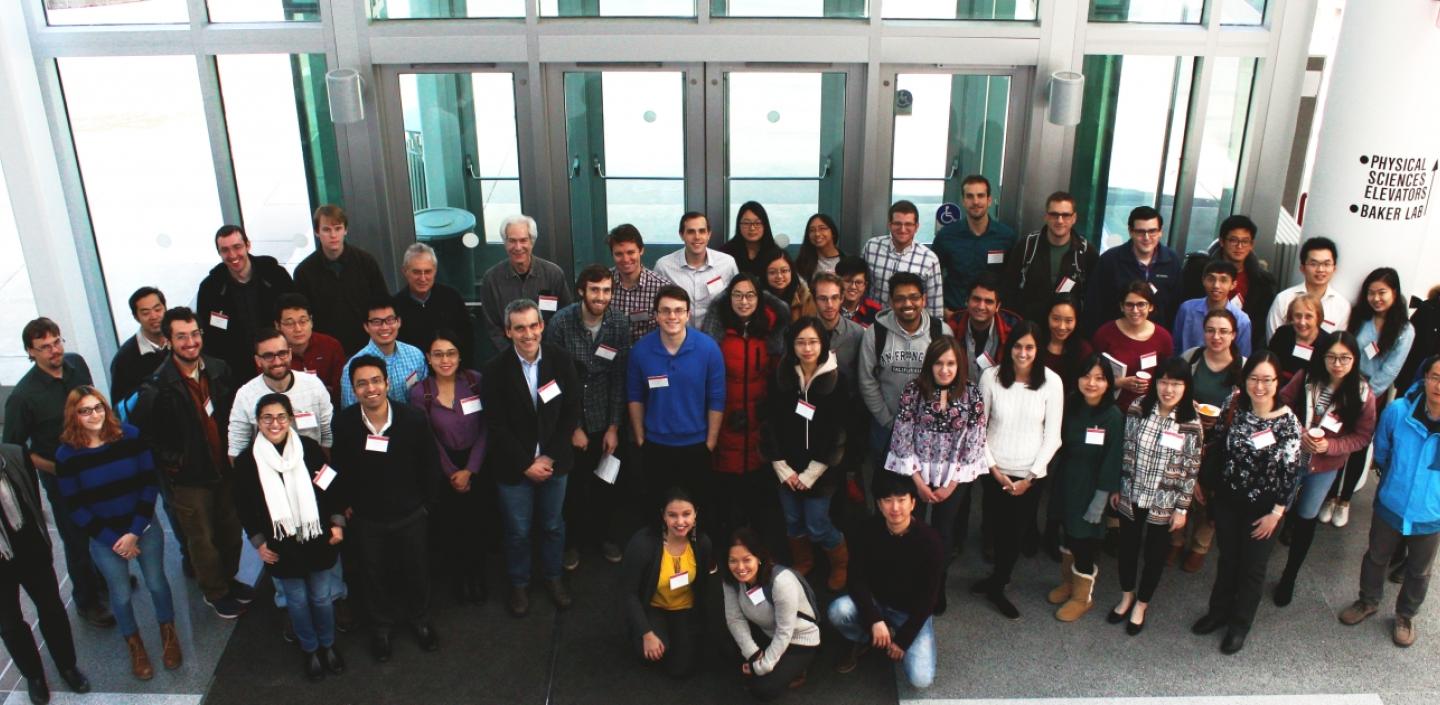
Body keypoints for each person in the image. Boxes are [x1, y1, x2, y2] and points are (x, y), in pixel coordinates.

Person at [132, 308, 250, 618]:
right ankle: (215, 592)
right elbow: (145, 435)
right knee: (202, 540)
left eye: (195, 334)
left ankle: (229, 580)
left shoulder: (219, 369)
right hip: (188, 479)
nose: (190, 342)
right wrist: (175, 463)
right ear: (169, 341)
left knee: (230, 531)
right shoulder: (156, 387)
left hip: (223, 469)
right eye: (181, 336)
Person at [55, 387, 178, 680]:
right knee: (120, 595)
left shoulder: (130, 436)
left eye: (98, 407)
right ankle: (135, 645)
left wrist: (134, 532)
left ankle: (169, 634)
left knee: (157, 583)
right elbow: (75, 507)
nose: (94, 415)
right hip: (105, 539)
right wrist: (114, 541)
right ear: (74, 415)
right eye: (85, 411)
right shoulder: (66, 455)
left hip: (143, 527)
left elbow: (149, 484)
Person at [2, 318, 113, 627]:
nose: (54, 351)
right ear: (30, 352)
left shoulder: (77, 366)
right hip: (62, 478)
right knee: (76, 540)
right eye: (45, 347)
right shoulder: (23, 397)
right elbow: (13, 451)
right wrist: (56, 468)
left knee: (102, 524)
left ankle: (104, 577)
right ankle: (87, 600)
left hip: (94, 467)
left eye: (57, 342)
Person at [330, 355, 441, 662]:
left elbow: (430, 465)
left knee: (417, 570)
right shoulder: (344, 423)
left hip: (411, 514)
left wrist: (427, 506)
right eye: (362, 384)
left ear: (388, 383)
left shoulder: (413, 419)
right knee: (373, 574)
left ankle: (420, 620)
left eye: (376, 381)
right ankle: (381, 628)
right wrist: (344, 504)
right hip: (367, 517)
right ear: (353, 389)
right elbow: (339, 467)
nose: (371, 389)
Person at [1192, 351, 1303, 654]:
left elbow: (1291, 474)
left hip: (1264, 509)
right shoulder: (1235, 402)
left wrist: (1276, 514)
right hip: (1228, 500)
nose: (1259, 386)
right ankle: (1218, 613)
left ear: (1277, 382)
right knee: (1227, 559)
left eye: (1267, 380)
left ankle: (1239, 625)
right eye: (1254, 378)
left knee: (1252, 568)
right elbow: (1216, 440)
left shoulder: (1288, 423)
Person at [232, 393, 346, 681]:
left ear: (291, 419)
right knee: (296, 601)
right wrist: (258, 543)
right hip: (280, 544)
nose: (275, 423)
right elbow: (243, 507)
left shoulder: (309, 449)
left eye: (281, 416)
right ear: (258, 422)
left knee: (322, 598)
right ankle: (310, 649)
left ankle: (328, 645)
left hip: (317, 537)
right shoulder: (247, 462)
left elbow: (331, 487)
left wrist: (337, 522)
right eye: (267, 418)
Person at [483, 300, 583, 617]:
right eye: (519, 328)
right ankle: (519, 583)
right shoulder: (494, 370)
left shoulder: (560, 360)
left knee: (553, 525)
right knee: (518, 532)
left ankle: (553, 577)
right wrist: (527, 464)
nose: (527, 334)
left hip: (555, 462)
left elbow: (571, 412)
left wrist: (549, 457)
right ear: (508, 331)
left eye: (532, 326)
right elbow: (496, 425)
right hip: (514, 468)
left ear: (542, 326)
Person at [1338, 354, 1440, 647]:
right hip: (1391, 502)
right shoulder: (1398, 411)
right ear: (1425, 378)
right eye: (1435, 377)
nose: (1439, 386)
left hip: (1430, 512)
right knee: (1376, 557)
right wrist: (1394, 478)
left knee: (1419, 571)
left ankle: (1405, 615)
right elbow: (1381, 450)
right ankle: (1367, 600)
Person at [883, 336, 987, 613]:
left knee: (943, 533)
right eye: (939, 363)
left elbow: (975, 441)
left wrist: (950, 485)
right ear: (930, 364)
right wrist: (918, 481)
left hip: (953, 477)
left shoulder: (972, 394)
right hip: (915, 472)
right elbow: (902, 435)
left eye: (951, 363)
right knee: (911, 529)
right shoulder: (913, 390)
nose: (944, 369)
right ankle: (910, 584)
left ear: (959, 365)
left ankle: (936, 587)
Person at [1274, 331, 1376, 607]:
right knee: (1277, 509)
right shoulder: (1306, 377)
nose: (1337, 364)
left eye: (1345, 358)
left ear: (1354, 360)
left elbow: (1362, 436)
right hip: (1291, 457)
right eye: (1331, 357)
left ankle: (1289, 576)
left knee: (1307, 516)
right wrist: (1300, 432)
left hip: (1325, 466)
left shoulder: (1362, 394)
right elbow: (1282, 404)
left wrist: (1330, 446)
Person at [974, 321, 1064, 619]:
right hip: (995, 469)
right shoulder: (990, 377)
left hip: (1030, 475)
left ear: (1038, 350)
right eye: (1017, 346)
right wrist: (993, 468)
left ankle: (999, 584)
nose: (1023, 353)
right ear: (1009, 347)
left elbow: (1053, 436)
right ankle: (995, 578)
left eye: (1029, 347)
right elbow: (978, 428)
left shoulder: (1052, 382)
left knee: (1015, 532)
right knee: (995, 526)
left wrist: (1030, 477)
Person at [1108, 357, 1203, 636]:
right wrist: (1118, 486)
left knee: (1155, 554)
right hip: (1132, 492)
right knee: (1127, 547)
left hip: (1164, 502)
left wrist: (1182, 509)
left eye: (1176, 384)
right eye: (1163, 382)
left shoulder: (1191, 422)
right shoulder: (1138, 408)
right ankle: (1127, 595)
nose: (1168, 390)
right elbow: (1126, 449)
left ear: (1186, 387)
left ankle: (1142, 603)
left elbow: (1191, 469)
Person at [546, 265, 632, 568]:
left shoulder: (619, 323)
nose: (601, 296)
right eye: (595, 290)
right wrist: (574, 427)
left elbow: (619, 377)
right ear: (582, 290)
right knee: (573, 489)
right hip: (570, 419)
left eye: (607, 290)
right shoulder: (561, 322)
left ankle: (605, 538)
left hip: (605, 416)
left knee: (606, 484)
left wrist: (614, 426)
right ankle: (572, 544)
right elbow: (555, 380)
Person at [829, 471, 942, 690]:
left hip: (910, 610)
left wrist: (903, 640)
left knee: (921, 679)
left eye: (901, 500)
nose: (895, 508)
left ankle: (894, 635)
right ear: (879, 505)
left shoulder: (930, 541)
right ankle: (864, 638)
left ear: (913, 503)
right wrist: (874, 618)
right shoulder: (866, 530)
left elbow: (929, 599)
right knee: (838, 611)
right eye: (888, 500)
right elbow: (855, 578)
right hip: (877, 601)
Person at [762, 317, 851, 591]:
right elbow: (769, 424)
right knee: (792, 521)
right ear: (792, 345)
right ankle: (804, 560)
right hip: (787, 468)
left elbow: (839, 432)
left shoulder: (837, 380)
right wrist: (782, 468)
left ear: (823, 344)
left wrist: (812, 473)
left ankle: (840, 563)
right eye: (801, 342)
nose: (807, 348)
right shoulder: (781, 376)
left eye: (813, 342)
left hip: (821, 470)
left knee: (816, 524)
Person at [0, 442, 91, 704]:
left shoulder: (14, 455)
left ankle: (67, 666)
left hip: (31, 549)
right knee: (9, 623)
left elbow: (32, 499)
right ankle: (34, 676)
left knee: (51, 608)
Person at [702, 274, 790, 544]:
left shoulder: (770, 332)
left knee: (758, 496)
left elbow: (778, 378)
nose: (744, 301)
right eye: (737, 295)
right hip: (725, 423)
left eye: (750, 295)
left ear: (759, 299)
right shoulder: (718, 334)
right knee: (725, 495)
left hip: (758, 426)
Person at [1326, 267, 1415, 528]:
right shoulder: (1360, 318)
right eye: (1371, 293)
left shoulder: (1404, 330)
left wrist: (1365, 396)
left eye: (1382, 292)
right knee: (1337, 438)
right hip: (1345, 384)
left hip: (1373, 393)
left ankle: (1344, 500)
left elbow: (1391, 370)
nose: (1376, 298)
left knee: (1359, 446)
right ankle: (1329, 495)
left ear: (1395, 293)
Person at [627, 286, 726, 510]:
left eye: (679, 310)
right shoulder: (640, 351)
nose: (672, 316)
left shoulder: (708, 349)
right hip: (655, 446)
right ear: (656, 315)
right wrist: (641, 439)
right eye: (666, 310)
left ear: (688, 314)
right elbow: (635, 397)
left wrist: (710, 443)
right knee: (657, 509)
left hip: (697, 446)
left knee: (697, 510)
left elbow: (717, 398)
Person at [409, 332, 489, 603]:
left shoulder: (475, 381)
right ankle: (459, 579)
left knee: (478, 525)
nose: (445, 360)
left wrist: (471, 469)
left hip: (477, 464)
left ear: (460, 356)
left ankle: (477, 576)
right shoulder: (420, 392)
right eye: (438, 354)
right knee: (451, 528)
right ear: (429, 359)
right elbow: (428, 438)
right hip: (443, 468)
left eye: (451, 353)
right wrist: (452, 473)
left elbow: (486, 427)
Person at [1048, 355, 1123, 622]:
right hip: (1066, 480)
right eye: (1086, 376)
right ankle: (1068, 584)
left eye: (1099, 378)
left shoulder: (1113, 416)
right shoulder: (1071, 405)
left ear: (1109, 383)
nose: (1091, 383)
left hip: (1091, 488)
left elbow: (1113, 459)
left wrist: (1100, 500)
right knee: (1067, 536)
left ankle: (1083, 597)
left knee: (1084, 541)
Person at [1171, 309, 1244, 573]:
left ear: (1234, 335)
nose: (1216, 337)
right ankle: (1175, 539)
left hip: (1222, 443)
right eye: (1211, 330)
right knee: (1179, 487)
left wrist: (1224, 419)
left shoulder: (1243, 367)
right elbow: (1173, 389)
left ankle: (1200, 546)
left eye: (1224, 331)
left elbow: (1249, 408)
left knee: (1210, 497)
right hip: (1187, 435)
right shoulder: (1191, 357)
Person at [621, 489, 713, 679]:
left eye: (686, 514)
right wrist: (647, 633)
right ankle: (642, 632)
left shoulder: (702, 543)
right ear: (663, 515)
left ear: (696, 513)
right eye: (673, 515)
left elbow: (707, 586)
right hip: (655, 605)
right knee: (650, 655)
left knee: (680, 669)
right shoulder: (643, 544)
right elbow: (628, 593)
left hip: (685, 607)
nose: (680, 522)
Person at [722, 527, 820, 700]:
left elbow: (784, 631)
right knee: (726, 648)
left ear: (758, 557)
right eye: (733, 561)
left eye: (747, 560)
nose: (740, 567)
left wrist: (761, 666)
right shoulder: (730, 579)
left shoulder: (781, 581)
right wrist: (753, 654)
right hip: (767, 630)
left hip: (797, 638)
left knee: (763, 689)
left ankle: (800, 667)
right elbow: (734, 618)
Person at [859, 273, 949, 457]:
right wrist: (887, 420)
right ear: (891, 302)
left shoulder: (940, 332)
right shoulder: (876, 333)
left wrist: (934, 418)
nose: (907, 304)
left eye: (914, 297)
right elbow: (867, 380)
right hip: (885, 427)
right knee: (884, 473)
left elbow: (950, 381)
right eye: (900, 298)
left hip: (929, 428)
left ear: (924, 299)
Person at [196, 224, 297, 378]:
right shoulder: (210, 288)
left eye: (237, 247)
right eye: (225, 250)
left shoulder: (275, 275)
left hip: (279, 362)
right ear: (219, 253)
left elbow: (296, 314)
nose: (232, 255)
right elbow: (207, 337)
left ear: (248, 245)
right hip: (236, 371)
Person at [292, 204, 389, 355]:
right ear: (317, 232)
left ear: (345, 230)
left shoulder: (366, 262)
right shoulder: (304, 272)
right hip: (325, 351)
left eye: (338, 228)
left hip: (367, 346)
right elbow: (303, 316)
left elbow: (382, 303)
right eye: (326, 230)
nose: (333, 235)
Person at [228, 328, 334, 461]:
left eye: (282, 353)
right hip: (266, 467)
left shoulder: (314, 385)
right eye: (268, 356)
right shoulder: (245, 395)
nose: (277, 362)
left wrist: (323, 465)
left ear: (290, 354)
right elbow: (236, 448)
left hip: (311, 462)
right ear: (258, 360)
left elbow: (327, 435)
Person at [1179, 215, 1277, 352]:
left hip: (1238, 352)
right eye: (1233, 240)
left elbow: (1260, 328)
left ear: (1251, 245)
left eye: (1245, 241)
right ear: (1222, 241)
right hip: (1197, 346)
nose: (1239, 246)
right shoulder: (1198, 270)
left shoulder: (1263, 282)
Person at [1002, 191, 1098, 325]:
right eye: (1054, 215)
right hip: (1029, 329)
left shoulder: (1086, 252)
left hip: (1066, 330)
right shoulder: (1027, 246)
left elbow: (1093, 298)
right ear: (1046, 217)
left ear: (1074, 218)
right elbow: (1009, 289)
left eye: (1065, 215)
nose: (1060, 221)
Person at [479, 214, 572, 350]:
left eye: (523, 240)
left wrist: (547, 353)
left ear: (532, 242)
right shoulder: (491, 280)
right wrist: (513, 356)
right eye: (512, 241)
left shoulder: (553, 274)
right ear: (505, 243)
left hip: (549, 353)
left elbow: (566, 318)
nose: (518, 247)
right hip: (509, 356)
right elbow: (492, 328)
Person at [1087, 206, 1184, 333]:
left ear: (1161, 232)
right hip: (1116, 337)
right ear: (1130, 231)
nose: (1147, 237)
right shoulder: (1110, 261)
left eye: (1152, 231)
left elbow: (1175, 307)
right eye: (1140, 232)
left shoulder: (1172, 261)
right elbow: (1094, 305)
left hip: (1157, 339)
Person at [931, 175, 1017, 316]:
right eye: (970, 196)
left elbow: (1012, 281)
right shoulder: (946, 236)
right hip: (954, 314)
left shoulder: (1006, 237)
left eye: (980, 196)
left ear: (989, 200)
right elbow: (932, 276)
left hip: (991, 314)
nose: (975, 201)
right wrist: (943, 309)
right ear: (964, 201)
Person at [1092, 281, 1176, 410]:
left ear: (1151, 307)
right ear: (1122, 307)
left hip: (1147, 409)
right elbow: (1090, 375)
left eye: (1141, 304)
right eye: (1129, 305)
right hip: (1109, 407)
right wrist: (1118, 382)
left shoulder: (1163, 338)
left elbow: (1168, 377)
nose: (1135, 310)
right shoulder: (1105, 334)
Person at [392, 242, 477, 367]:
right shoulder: (395, 306)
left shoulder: (452, 298)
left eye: (427, 271)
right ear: (405, 271)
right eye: (416, 272)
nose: (422, 278)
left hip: (451, 372)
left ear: (435, 271)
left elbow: (467, 340)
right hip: (413, 374)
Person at [654, 212, 740, 328]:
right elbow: (656, 307)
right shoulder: (664, 267)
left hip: (716, 335)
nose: (697, 237)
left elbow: (737, 300)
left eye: (702, 231)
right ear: (681, 235)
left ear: (709, 234)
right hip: (677, 335)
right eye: (691, 232)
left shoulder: (727, 264)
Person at [861, 201, 943, 319]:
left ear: (916, 227)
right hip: (873, 320)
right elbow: (861, 286)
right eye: (897, 224)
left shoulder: (929, 259)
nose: (902, 229)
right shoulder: (872, 247)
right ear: (889, 225)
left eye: (908, 224)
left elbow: (935, 307)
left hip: (909, 324)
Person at [339, 299, 428, 408]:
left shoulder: (415, 355)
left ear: (399, 322)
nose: (384, 327)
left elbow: (425, 397)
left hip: (413, 417)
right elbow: (350, 411)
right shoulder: (353, 367)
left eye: (390, 320)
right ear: (366, 326)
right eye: (377, 322)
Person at [1265, 236, 1351, 338]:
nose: (1320, 269)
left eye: (1326, 264)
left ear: (1334, 268)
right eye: (1314, 264)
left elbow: (1338, 343)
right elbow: (1273, 340)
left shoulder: (1342, 306)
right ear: (1302, 268)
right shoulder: (1283, 299)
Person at [945, 272, 1020, 385]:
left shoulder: (1013, 329)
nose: (981, 306)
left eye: (988, 301)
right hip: (961, 391)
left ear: (998, 306)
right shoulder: (952, 327)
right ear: (967, 301)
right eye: (976, 299)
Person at [276, 293, 346, 406]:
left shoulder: (331, 346)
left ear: (311, 321)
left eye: (303, 321)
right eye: (289, 323)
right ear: (278, 326)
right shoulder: (272, 353)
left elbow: (340, 390)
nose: (298, 329)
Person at [1173, 260, 1253, 356]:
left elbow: (1243, 356)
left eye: (1223, 280)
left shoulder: (1241, 320)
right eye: (1211, 279)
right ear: (1203, 280)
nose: (1216, 285)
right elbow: (1176, 346)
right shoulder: (1187, 309)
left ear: (1233, 285)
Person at [610, 224, 674, 342]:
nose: (625, 259)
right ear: (612, 254)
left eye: (630, 252)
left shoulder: (662, 287)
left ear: (641, 250)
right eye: (619, 254)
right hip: (610, 350)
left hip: (648, 351)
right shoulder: (603, 284)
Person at [110, 286, 169, 404]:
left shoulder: (181, 342)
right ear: (136, 317)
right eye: (146, 313)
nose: (154, 316)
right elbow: (121, 406)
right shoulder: (124, 359)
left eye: (158, 309)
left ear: (165, 309)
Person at [1267, 294, 1325, 387]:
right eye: (1298, 316)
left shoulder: (1327, 343)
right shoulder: (1282, 334)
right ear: (1291, 317)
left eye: (1308, 316)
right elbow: (1268, 363)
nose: (1302, 322)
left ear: (1318, 317)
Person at [722, 201, 785, 279]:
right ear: (739, 225)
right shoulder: (726, 253)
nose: (752, 228)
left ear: (765, 225)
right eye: (746, 223)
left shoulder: (776, 254)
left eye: (757, 223)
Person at [1041, 294, 1093, 387]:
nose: (1062, 327)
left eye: (1069, 321)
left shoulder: (1084, 350)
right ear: (1047, 317)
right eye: (1056, 319)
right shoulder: (1034, 342)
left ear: (1076, 321)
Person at [764, 250, 817, 320]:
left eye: (784, 271)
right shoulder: (757, 296)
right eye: (772, 272)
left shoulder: (805, 297)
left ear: (792, 272)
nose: (779, 276)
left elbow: (810, 325)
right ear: (765, 274)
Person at [794, 213, 845, 283]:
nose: (817, 234)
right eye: (812, 230)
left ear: (833, 232)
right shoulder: (802, 263)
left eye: (822, 228)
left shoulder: (846, 260)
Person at [834, 256, 882, 326]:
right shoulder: (830, 306)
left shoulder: (875, 311)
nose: (853, 287)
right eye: (848, 281)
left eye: (858, 282)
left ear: (865, 285)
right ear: (837, 282)